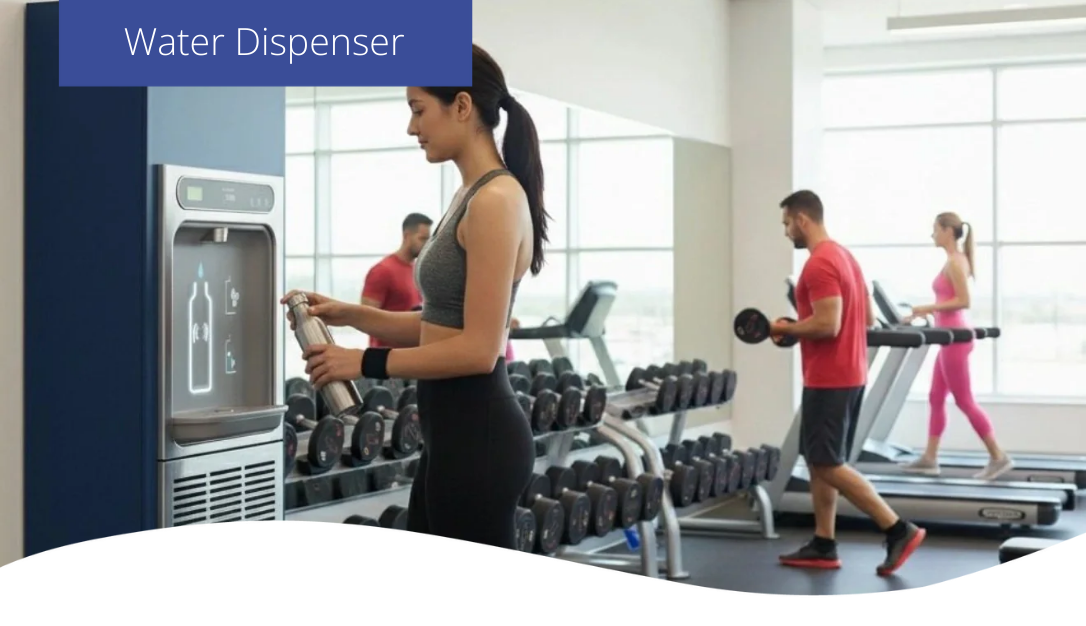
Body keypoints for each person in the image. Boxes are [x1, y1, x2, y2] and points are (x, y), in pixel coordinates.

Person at [281, 43, 548, 550]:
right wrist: (353, 313)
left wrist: (364, 362)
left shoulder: (494, 200)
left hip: (480, 438)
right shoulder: (469, 196)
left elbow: (478, 350)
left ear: (463, 106)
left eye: (418, 109)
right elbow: (441, 323)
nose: (411, 127)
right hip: (452, 436)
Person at [771, 190, 925, 576]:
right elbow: (868, 320)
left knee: (827, 463)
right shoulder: (845, 257)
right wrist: (797, 329)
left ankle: (897, 528)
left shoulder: (819, 264)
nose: (787, 231)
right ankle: (824, 543)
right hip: (848, 373)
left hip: (830, 377)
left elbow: (828, 324)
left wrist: (784, 327)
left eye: (787, 223)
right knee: (820, 461)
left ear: (802, 219)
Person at [899, 213, 1013, 481]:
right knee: (935, 397)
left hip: (956, 337)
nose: (932, 234)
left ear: (948, 231)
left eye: (935, 229)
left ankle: (998, 456)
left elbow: (964, 300)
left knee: (964, 399)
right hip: (947, 335)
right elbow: (952, 299)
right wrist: (925, 313)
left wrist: (924, 307)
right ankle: (930, 458)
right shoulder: (954, 261)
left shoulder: (954, 262)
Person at [361, 213, 432, 348]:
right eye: (422, 239)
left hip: (411, 357)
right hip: (385, 359)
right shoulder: (382, 271)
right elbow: (365, 319)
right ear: (406, 236)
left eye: (428, 240)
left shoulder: (417, 270)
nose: (426, 245)